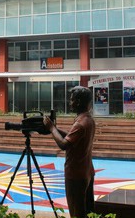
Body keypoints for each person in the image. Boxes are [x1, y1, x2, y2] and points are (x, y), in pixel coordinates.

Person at [44, 86, 96, 218]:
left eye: (72, 100)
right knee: (86, 211)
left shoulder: (80, 124)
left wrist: (52, 129)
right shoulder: (88, 119)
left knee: (76, 212)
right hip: (86, 171)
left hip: (76, 175)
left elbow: (63, 144)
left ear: (78, 102)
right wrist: (55, 129)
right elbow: (72, 136)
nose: (70, 103)